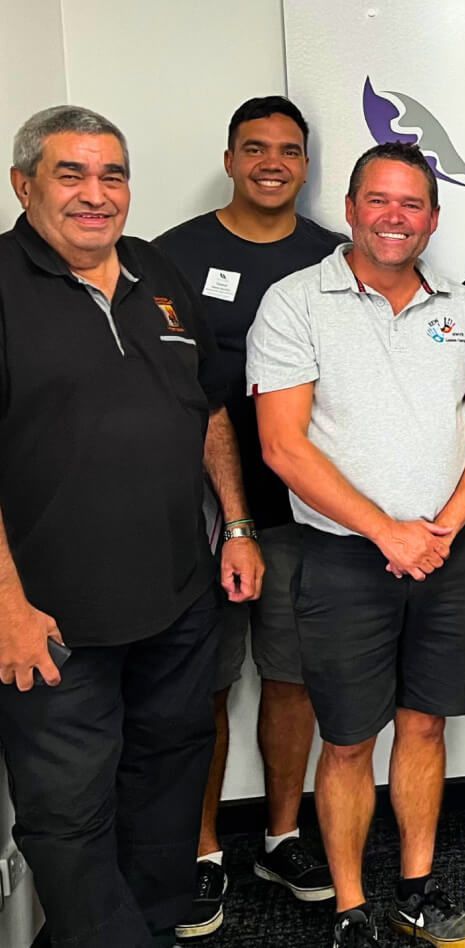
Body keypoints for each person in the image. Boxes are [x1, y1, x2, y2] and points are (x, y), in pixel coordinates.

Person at [0, 105, 263, 947]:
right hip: (51, 619)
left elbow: (209, 408)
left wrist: (238, 524)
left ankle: (145, 929)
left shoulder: (156, 271)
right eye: (70, 174)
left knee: (167, 783)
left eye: (111, 174)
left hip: (179, 599)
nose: (95, 194)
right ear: (23, 184)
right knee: (68, 813)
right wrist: (6, 604)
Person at [248, 142, 465, 948]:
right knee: (350, 738)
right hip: (343, 559)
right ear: (354, 207)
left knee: (426, 727)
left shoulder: (462, 309)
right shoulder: (294, 303)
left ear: (433, 218)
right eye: (379, 200)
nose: (395, 217)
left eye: (412, 204)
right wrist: (385, 531)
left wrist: (442, 530)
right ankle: (352, 910)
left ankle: (417, 893)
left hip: (444, 557)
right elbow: (283, 447)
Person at [155, 95, 343, 939]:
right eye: (256, 148)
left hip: (304, 511)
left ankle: (281, 835)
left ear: (306, 166)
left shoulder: (335, 261)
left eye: (290, 150)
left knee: (293, 676)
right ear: (229, 158)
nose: (274, 162)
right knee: (205, 684)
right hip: (200, 514)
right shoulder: (170, 258)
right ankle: (201, 853)